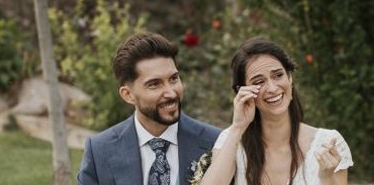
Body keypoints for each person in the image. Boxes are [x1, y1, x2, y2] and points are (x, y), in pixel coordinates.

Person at [199, 37, 353, 185]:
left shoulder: (328, 143)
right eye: (259, 82)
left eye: (278, 75)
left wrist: (326, 179)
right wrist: (238, 127)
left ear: (290, 78)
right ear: (243, 91)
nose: (272, 88)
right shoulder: (232, 140)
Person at [77, 32, 221, 185]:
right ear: (128, 95)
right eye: (154, 84)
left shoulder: (216, 142)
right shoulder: (100, 150)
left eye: (174, 79)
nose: (171, 93)